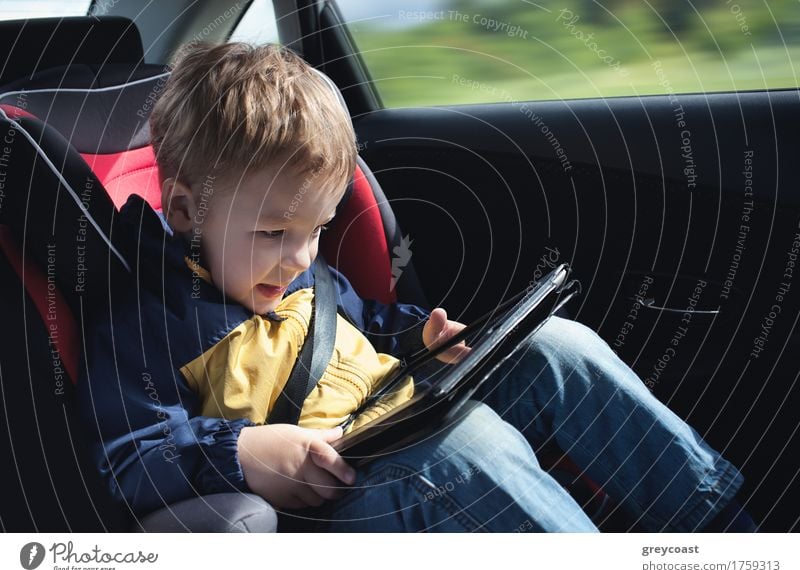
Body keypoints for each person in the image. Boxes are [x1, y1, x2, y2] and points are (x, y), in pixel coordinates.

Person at [77, 41, 754, 532]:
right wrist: (247, 452)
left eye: (315, 229)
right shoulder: (147, 318)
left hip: (407, 411)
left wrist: (419, 339)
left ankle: (721, 530)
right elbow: (131, 453)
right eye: (272, 234)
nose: (297, 257)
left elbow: (369, 324)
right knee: (468, 452)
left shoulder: (303, 275)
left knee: (558, 346)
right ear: (190, 212)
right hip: (340, 492)